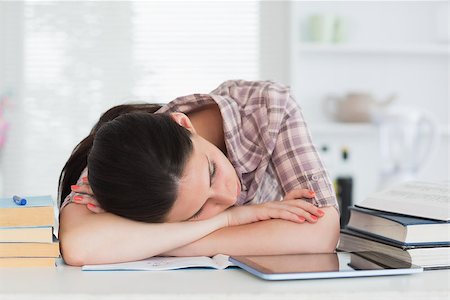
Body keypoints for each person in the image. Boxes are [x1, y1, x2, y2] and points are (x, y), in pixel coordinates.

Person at [58, 80, 340, 266]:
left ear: (183, 124)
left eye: (212, 171)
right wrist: (229, 219)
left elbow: (323, 232)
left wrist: (167, 240)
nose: (228, 195)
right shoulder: (120, 171)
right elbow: (80, 247)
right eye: (198, 211)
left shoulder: (269, 109)